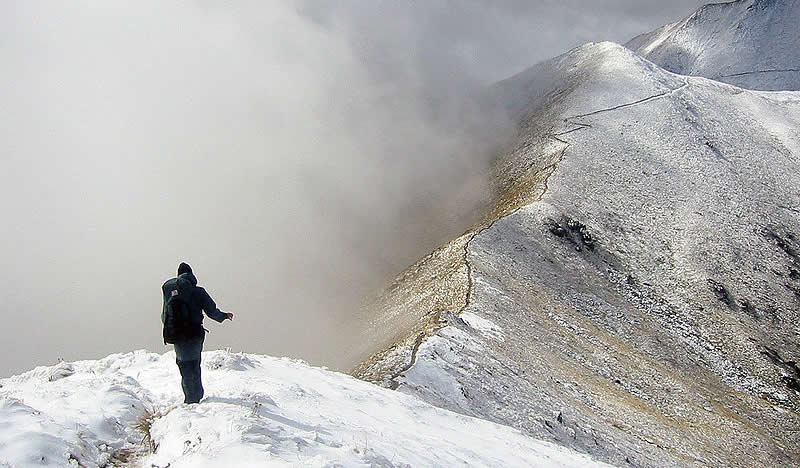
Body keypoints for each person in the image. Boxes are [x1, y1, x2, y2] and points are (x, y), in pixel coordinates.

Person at [162, 262, 233, 404]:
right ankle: (195, 399)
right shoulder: (198, 291)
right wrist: (224, 316)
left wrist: (171, 329)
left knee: (183, 364)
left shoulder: (169, 292)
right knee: (194, 364)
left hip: (176, 334)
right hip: (194, 333)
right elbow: (212, 311)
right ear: (192, 275)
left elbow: (164, 315)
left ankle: (190, 398)